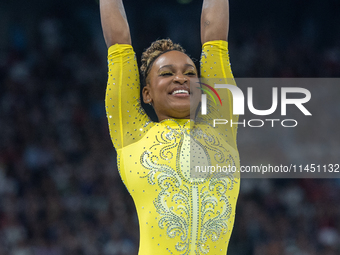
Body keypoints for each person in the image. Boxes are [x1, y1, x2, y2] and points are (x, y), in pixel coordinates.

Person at [100, 0, 240, 254]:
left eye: (189, 72)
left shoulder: (221, 129)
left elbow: (215, 40)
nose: (181, 78)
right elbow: (118, 45)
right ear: (146, 93)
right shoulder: (133, 135)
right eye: (166, 73)